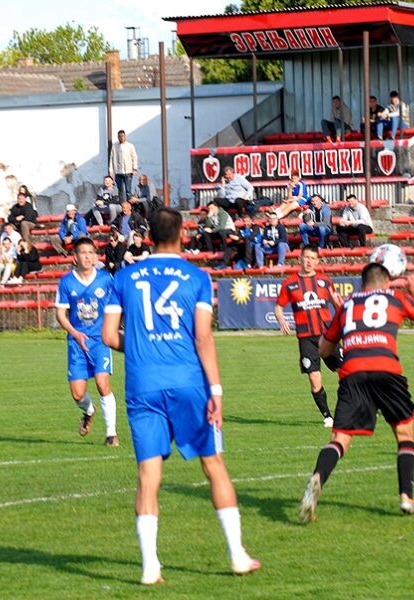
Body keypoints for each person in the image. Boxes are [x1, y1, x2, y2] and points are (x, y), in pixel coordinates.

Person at [101, 208, 261, 584]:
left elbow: (109, 336)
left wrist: (140, 346)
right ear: (182, 234)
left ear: (149, 236)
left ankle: (149, 565)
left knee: (147, 476)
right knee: (213, 465)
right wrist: (216, 390)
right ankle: (237, 554)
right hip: (189, 383)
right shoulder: (197, 277)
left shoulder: (122, 277)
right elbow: (203, 337)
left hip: (143, 384)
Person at [298, 263, 414, 523]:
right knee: (404, 431)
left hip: (353, 372)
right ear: (386, 282)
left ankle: (318, 477)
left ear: (361, 283)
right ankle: (406, 497)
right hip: (387, 369)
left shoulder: (347, 304)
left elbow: (323, 350)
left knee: (339, 438)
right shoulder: (396, 298)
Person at [55, 237, 120, 447]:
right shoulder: (67, 282)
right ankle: (89, 411)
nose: (88, 257)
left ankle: (111, 434)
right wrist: (75, 333)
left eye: (91, 253)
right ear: (75, 257)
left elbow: (116, 306)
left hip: (100, 340)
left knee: (103, 384)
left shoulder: (106, 279)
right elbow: (61, 315)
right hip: (76, 342)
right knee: (77, 394)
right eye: (83, 253)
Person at [275, 245, 343, 427]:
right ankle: (328, 416)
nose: (309, 261)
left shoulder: (325, 281)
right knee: (314, 379)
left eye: (313, 258)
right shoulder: (289, 283)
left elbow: (337, 303)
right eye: (306, 257)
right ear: (300, 259)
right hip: (306, 338)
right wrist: (281, 319)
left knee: (346, 372)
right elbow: (279, 306)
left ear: (317, 261)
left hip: (327, 336)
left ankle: (359, 406)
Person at [110, 129, 139, 202]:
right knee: (120, 189)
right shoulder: (115, 146)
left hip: (128, 171)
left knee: (128, 190)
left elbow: (134, 157)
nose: (121, 138)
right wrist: (111, 170)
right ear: (118, 137)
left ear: (125, 136)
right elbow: (112, 158)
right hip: (118, 172)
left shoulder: (130, 146)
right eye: (119, 136)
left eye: (122, 136)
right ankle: (122, 205)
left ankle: (130, 207)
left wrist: (135, 168)